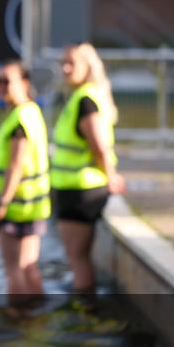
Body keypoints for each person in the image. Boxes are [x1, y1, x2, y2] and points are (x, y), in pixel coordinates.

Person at [50, 43, 126, 292]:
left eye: (72, 63)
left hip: (81, 190)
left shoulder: (85, 101)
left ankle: (83, 311)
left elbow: (99, 145)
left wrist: (111, 177)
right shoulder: (83, 96)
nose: (66, 68)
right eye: (63, 63)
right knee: (77, 258)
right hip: (76, 187)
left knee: (77, 259)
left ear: (88, 67)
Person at [0, 61, 50, 303]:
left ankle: (18, 318)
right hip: (33, 204)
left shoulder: (19, 119)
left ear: (25, 83)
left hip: (15, 205)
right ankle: (38, 312)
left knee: (13, 269)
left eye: (7, 81)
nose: (1, 86)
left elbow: (16, 164)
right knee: (29, 266)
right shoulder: (32, 111)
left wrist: (2, 203)